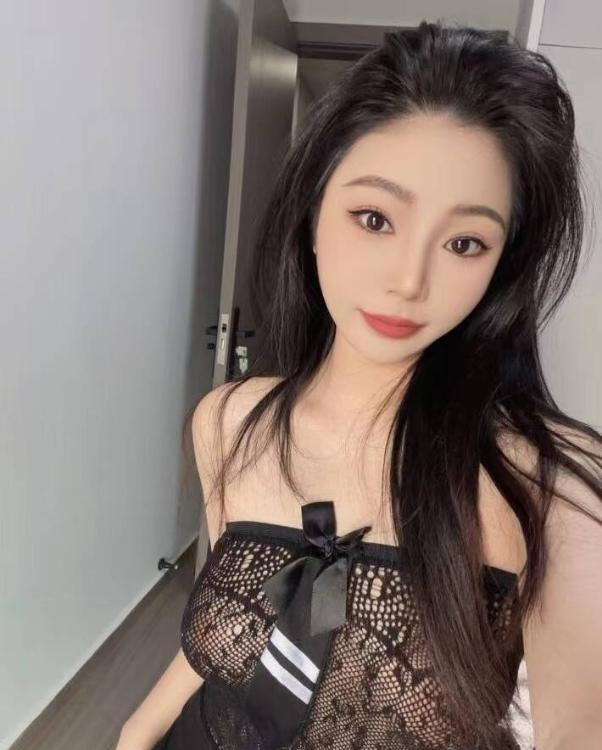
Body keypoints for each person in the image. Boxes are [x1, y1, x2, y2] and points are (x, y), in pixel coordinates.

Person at [115, 20, 602, 750]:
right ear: (314, 215)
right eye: (374, 218)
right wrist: (134, 732)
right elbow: (234, 628)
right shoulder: (230, 420)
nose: (409, 280)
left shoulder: (550, 482)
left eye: (464, 242)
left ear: (502, 265)